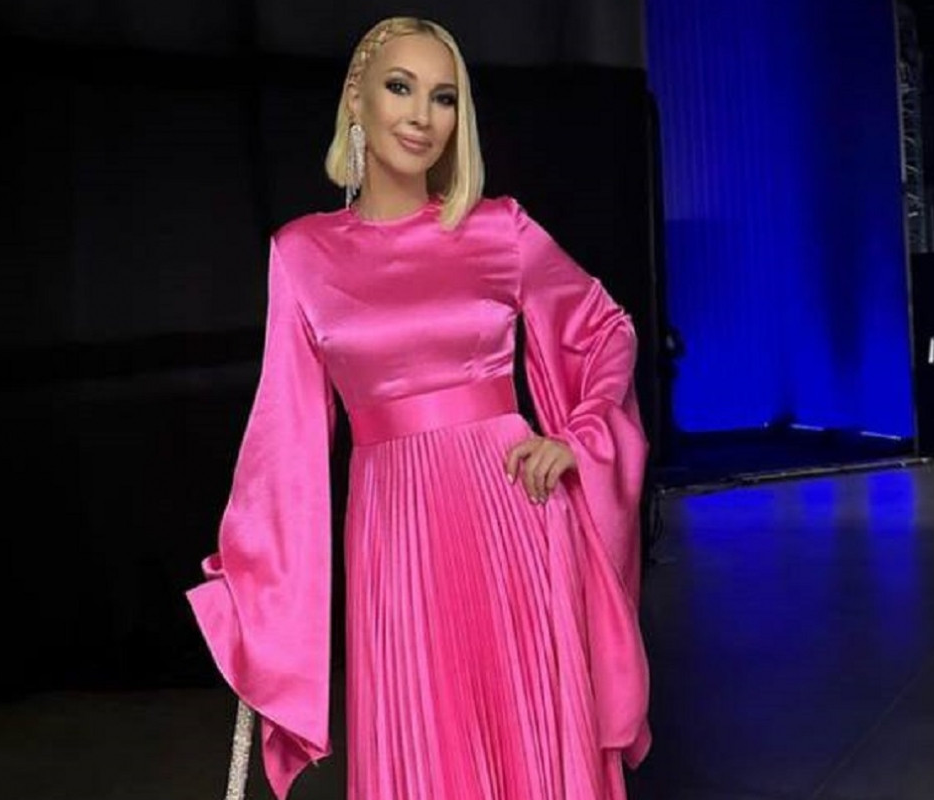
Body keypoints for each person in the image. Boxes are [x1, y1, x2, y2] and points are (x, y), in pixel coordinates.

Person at [186, 15, 651, 800]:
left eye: (443, 97)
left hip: (513, 517)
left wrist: (578, 435)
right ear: (356, 98)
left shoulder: (499, 229)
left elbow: (605, 330)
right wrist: (254, 572)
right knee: (422, 742)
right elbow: (284, 435)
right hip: (395, 534)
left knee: (533, 736)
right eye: (400, 87)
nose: (421, 116)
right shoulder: (301, 254)